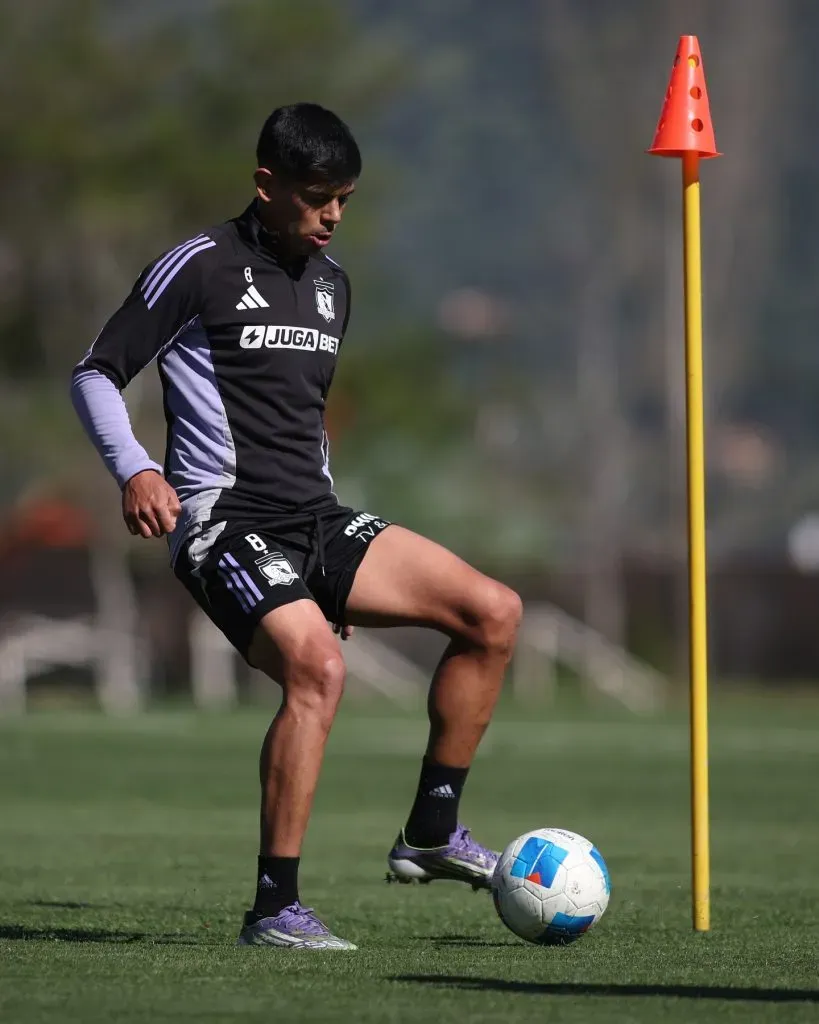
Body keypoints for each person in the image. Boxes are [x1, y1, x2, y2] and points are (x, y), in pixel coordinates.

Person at [71, 103, 522, 950]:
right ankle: (274, 909)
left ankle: (431, 830)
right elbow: (96, 371)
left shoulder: (331, 284)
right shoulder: (197, 266)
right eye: (319, 198)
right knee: (318, 671)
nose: (333, 216)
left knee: (492, 611)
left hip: (314, 519)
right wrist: (134, 466)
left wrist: (331, 575)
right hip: (220, 521)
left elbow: (304, 423)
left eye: (345, 199)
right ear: (267, 184)